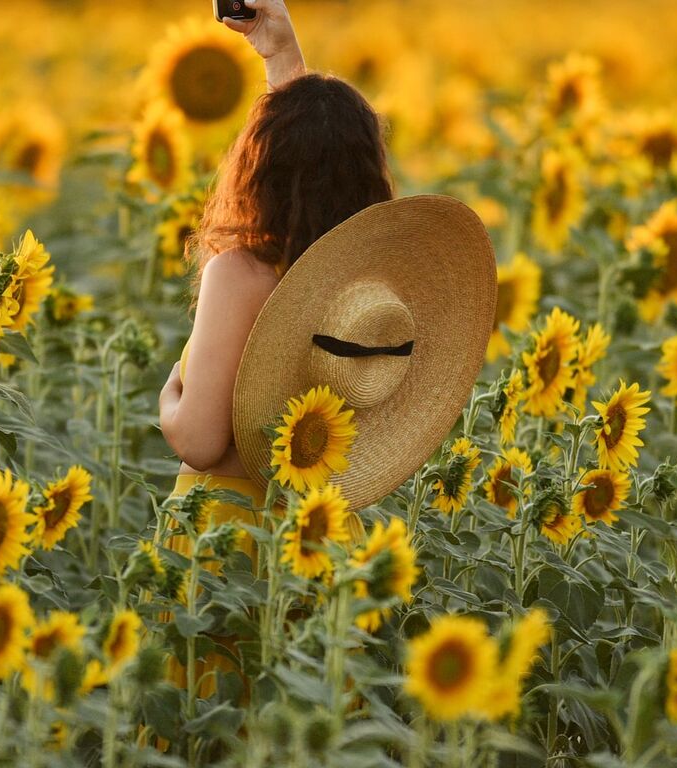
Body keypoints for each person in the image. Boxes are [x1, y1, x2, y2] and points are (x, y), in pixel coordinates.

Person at [154, 0, 394, 698]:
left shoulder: (240, 273)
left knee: (216, 718)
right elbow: (318, 146)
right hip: (323, 539)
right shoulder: (364, 285)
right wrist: (279, 55)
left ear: (255, 162)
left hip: (226, 541)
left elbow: (201, 439)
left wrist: (167, 395)